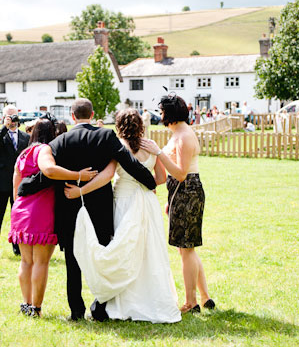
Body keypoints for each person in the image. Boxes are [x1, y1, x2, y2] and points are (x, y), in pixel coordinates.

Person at [18, 98, 156, 321]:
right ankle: (100, 308)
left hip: (68, 206)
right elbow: (128, 161)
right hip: (100, 207)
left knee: (73, 263)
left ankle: (76, 311)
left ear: (73, 116)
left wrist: (25, 187)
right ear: (92, 115)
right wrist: (149, 182)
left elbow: (48, 175)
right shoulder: (106, 136)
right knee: (102, 255)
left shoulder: (60, 141)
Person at [66, 108, 181, 323]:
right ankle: (151, 299)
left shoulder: (117, 146)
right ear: (140, 125)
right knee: (148, 249)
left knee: (122, 248)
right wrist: (141, 185)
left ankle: (122, 301)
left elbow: (108, 175)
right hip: (146, 201)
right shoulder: (149, 145)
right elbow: (160, 178)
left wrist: (81, 190)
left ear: (119, 125)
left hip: (123, 200)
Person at [9, 119, 97, 317]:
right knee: (41, 262)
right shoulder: (43, 150)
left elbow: (16, 187)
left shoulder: (23, 154)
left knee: (26, 261)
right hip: (39, 211)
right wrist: (78, 175)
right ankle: (36, 308)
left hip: (21, 210)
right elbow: (49, 170)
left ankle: (26, 304)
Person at [140, 94, 215, 314]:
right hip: (180, 194)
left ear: (170, 113)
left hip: (188, 191)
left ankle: (191, 303)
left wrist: (158, 152)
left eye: (162, 112)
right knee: (186, 249)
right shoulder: (178, 134)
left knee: (187, 248)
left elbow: (181, 173)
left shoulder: (183, 136)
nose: (160, 116)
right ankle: (204, 297)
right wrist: (169, 200)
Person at [0, 105, 30, 259]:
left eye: (14, 116)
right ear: (4, 118)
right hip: (1, 182)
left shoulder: (25, 137)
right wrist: (5, 126)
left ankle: (17, 248)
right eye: (9, 116)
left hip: (19, 184)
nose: (12, 120)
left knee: (17, 217)